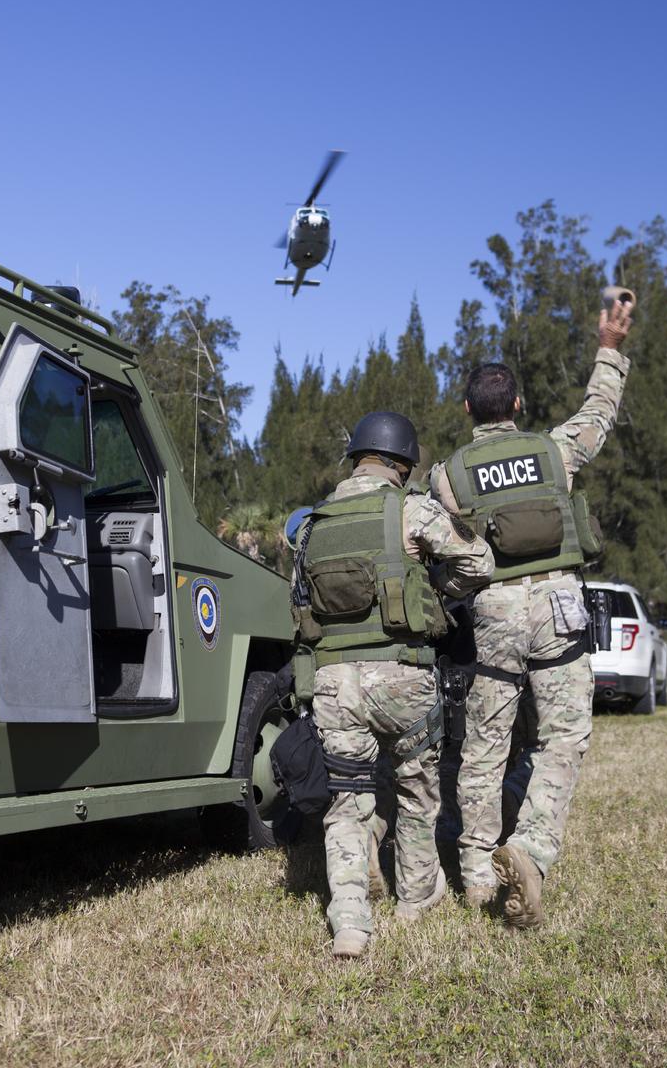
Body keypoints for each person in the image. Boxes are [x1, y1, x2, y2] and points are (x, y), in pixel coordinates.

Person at [430, 298, 633, 927]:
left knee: (485, 748)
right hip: (559, 607)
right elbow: (599, 415)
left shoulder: (448, 476)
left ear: (468, 412)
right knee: (564, 735)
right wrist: (609, 347)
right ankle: (532, 847)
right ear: (516, 407)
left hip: (492, 614)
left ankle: (474, 877)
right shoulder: (553, 451)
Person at [292, 410, 494, 958]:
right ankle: (415, 897)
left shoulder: (311, 524)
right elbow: (480, 563)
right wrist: (435, 586)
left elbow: (302, 609)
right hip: (403, 676)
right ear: (403, 465)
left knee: (347, 801)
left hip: (334, 683)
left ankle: (352, 922)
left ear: (356, 458)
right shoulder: (411, 510)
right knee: (417, 789)